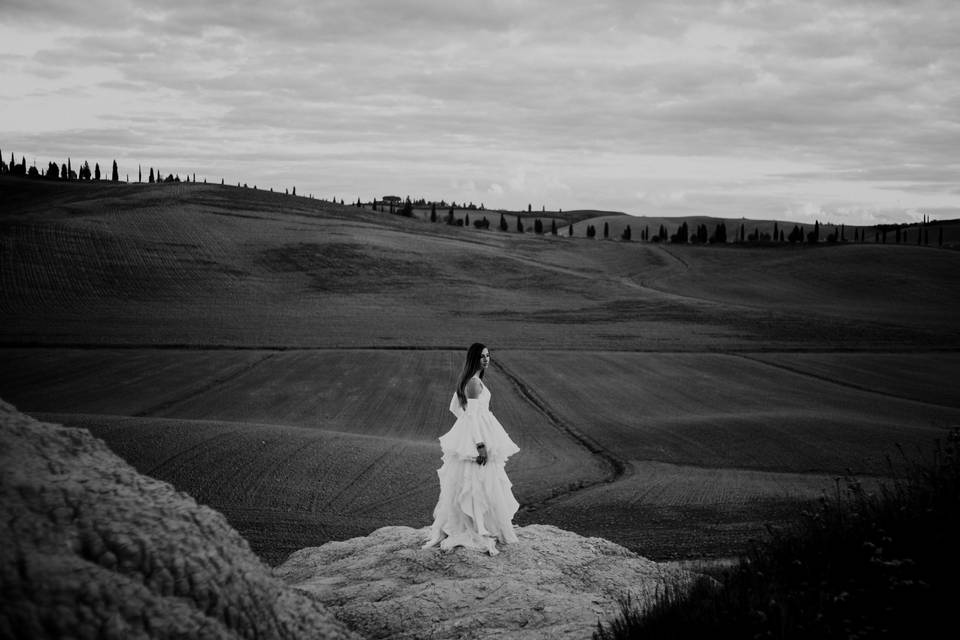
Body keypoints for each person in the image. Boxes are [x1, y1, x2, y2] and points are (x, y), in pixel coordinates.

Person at [422, 343, 520, 555]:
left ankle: (480, 525)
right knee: (476, 483)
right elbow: (471, 415)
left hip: (478, 433)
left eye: (488, 355)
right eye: (482, 356)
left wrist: (466, 425)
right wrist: (479, 443)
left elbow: (455, 408)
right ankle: (477, 528)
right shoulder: (474, 383)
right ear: (474, 358)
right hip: (479, 439)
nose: (486, 359)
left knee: (477, 482)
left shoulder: (471, 380)